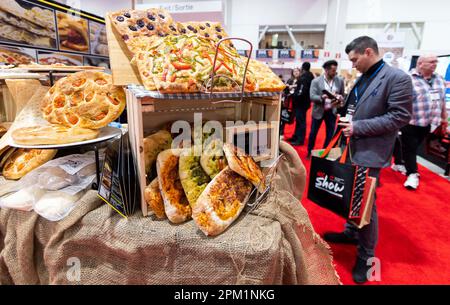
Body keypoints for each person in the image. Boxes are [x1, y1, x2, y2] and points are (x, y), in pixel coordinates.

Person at [324, 36, 412, 284]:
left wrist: (357, 126)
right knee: (352, 196)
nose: (352, 65)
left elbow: (399, 117)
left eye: (354, 59)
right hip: (352, 148)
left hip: (370, 151)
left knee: (365, 205)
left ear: (368, 52)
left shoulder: (397, 78)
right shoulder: (364, 78)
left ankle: (366, 256)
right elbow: (361, 106)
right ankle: (351, 232)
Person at [396, 54, 448, 189]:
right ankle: (412, 174)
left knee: (412, 146)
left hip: (429, 122)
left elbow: (442, 100)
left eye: (436, 62)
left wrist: (444, 118)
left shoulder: (439, 79)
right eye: (431, 62)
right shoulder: (407, 79)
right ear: (420, 64)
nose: (434, 64)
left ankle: (399, 161)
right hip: (410, 121)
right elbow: (398, 101)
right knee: (410, 147)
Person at [307, 60, 345, 158]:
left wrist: (340, 97)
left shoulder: (339, 80)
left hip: (332, 111)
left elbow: (342, 94)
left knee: (330, 135)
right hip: (318, 110)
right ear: (326, 70)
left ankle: (325, 153)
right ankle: (309, 152)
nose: (335, 73)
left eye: (336, 70)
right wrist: (321, 98)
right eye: (333, 70)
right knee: (313, 133)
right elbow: (312, 96)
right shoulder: (316, 81)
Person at [286, 62, 314, 145]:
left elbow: (301, 91)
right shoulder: (310, 76)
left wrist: (294, 96)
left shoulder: (304, 77)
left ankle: (299, 139)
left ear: (302, 68)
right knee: (299, 121)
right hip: (304, 102)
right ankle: (296, 136)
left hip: (301, 103)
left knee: (301, 121)